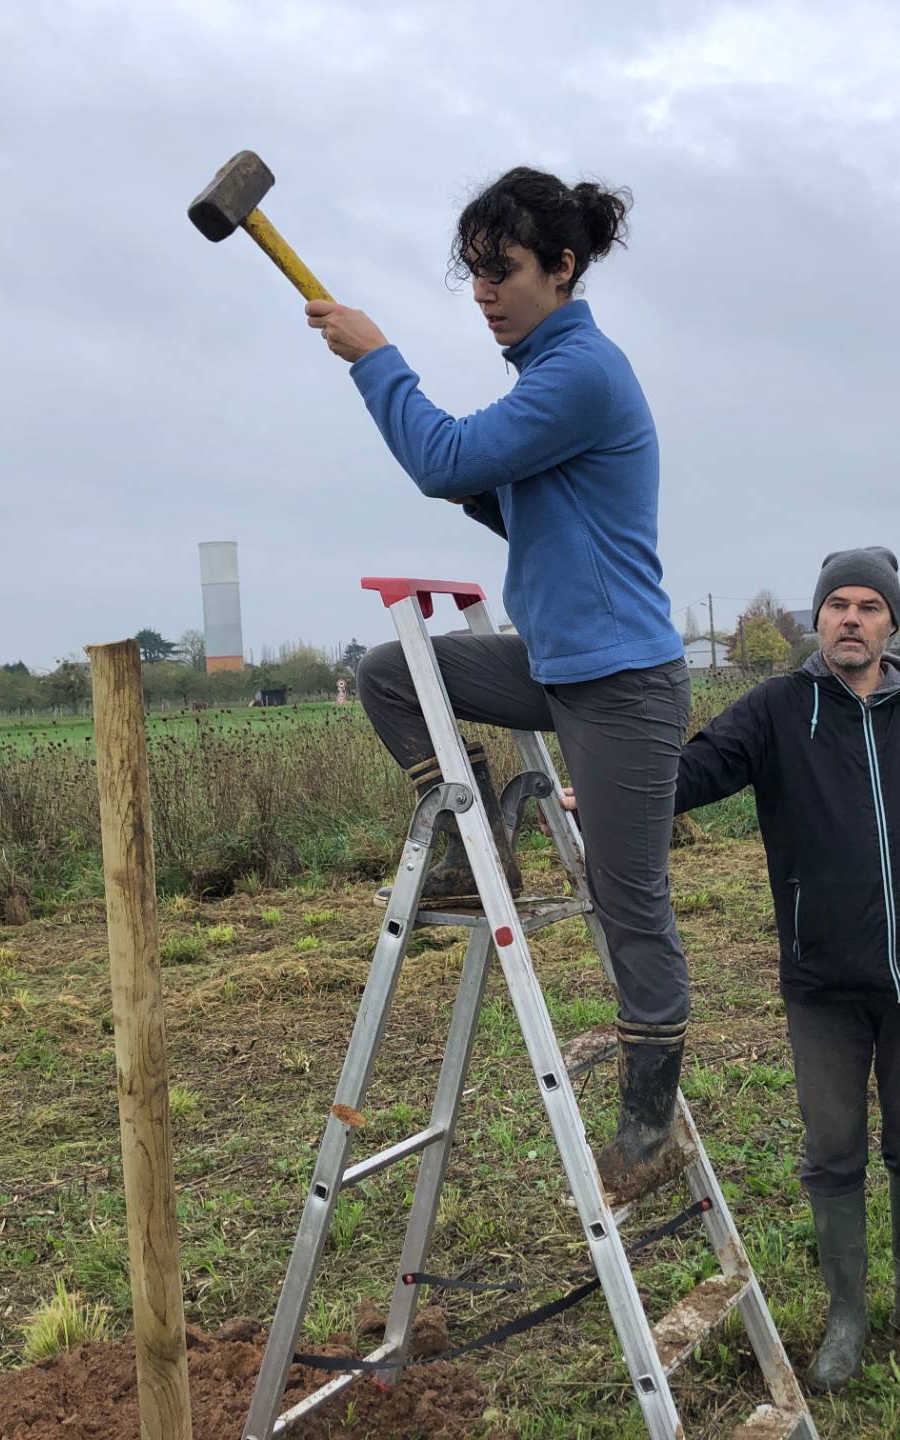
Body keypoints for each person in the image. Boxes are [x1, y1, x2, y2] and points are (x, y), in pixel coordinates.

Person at [304, 167, 692, 1196]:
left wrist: (375, 359)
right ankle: (468, 848)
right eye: (473, 273)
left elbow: (443, 459)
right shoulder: (545, 378)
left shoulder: (581, 373)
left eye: (503, 271)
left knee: (630, 900)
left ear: (561, 268)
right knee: (393, 673)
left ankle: (650, 1130)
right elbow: (511, 501)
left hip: (624, 683)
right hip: (557, 666)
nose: (484, 293)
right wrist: (488, 487)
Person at [568, 548, 900, 1390]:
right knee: (832, 1150)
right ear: (818, 619)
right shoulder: (777, 709)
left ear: (891, 622)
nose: (852, 619)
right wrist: (614, 795)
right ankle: (846, 1316)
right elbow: (696, 769)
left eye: (869, 607)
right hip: (822, 982)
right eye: (838, 605)